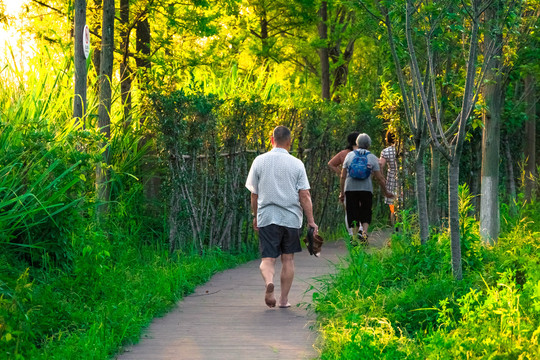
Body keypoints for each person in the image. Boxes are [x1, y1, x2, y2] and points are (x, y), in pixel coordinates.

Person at [245, 125, 318, 308]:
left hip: (267, 216)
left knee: (267, 259)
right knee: (288, 259)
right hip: (291, 218)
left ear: (272, 140)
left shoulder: (259, 161)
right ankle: (284, 300)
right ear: (289, 142)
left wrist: (256, 216)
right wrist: (311, 221)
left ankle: (269, 282)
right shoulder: (297, 164)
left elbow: (254, 194)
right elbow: (305, 195)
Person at [340, 133, 393, 245]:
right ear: (369, 145)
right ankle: (363, 233)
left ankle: (354, 237)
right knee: (366, 211)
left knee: (352, 212)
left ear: (357, 144)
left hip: (350, 188)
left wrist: (341, 192)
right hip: (366, 188)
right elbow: (380, 178)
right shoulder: (372, 157)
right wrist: (386, 192)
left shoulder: (349, 156)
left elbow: (342, 175)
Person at [328, 132, 361, 237]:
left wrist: (341, 174)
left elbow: (331, 163)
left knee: (349, 210)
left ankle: (352, 234)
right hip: (361, 184)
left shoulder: (343, 154)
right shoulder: (363, 153)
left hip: (348, 184)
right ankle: (360, 231)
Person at [379, 130, 398, 227]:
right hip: (406, 178)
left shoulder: (386, 151)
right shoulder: (407, 150)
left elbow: (380, 165)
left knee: (393, 207)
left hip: (391, 179)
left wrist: (382, 178)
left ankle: (395, 229)